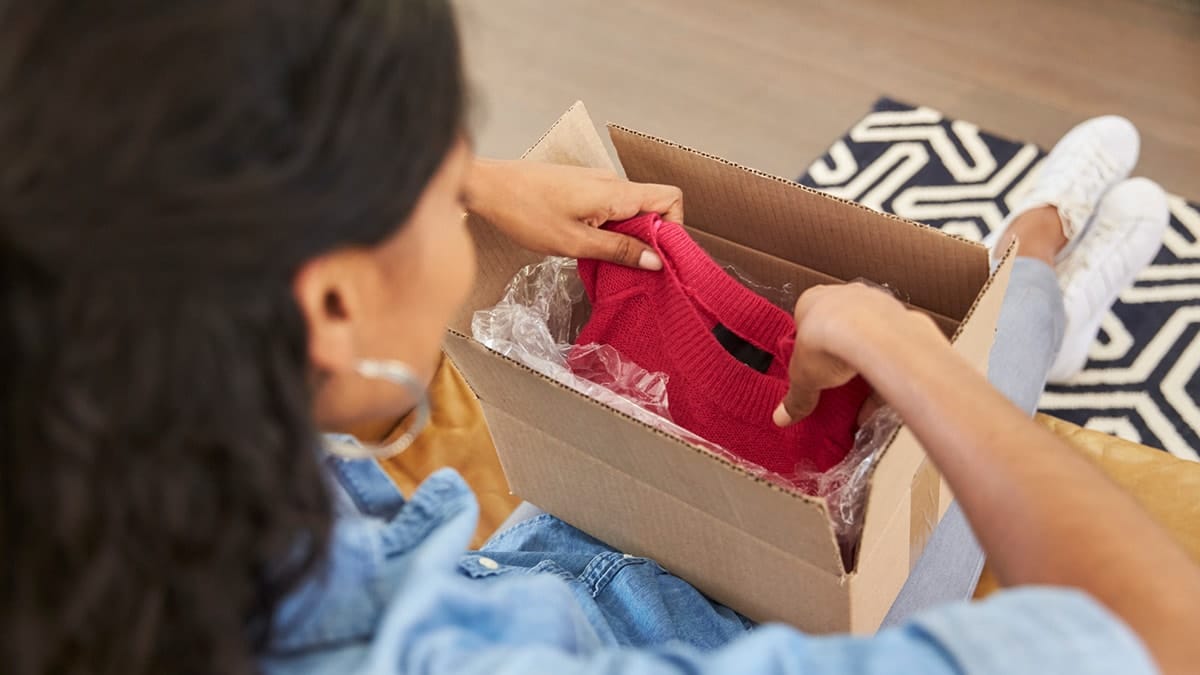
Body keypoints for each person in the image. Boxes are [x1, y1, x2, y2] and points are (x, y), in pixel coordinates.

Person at [1, 2, 1196, 675]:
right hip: (691, 622)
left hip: (539, 566)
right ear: (328, 305)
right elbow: (1156, 632)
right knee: (959, 447)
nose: (462, 193)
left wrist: (470, 179)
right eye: (432, 169)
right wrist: (919, 355)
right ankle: (1035, 270)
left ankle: (1036, 277)